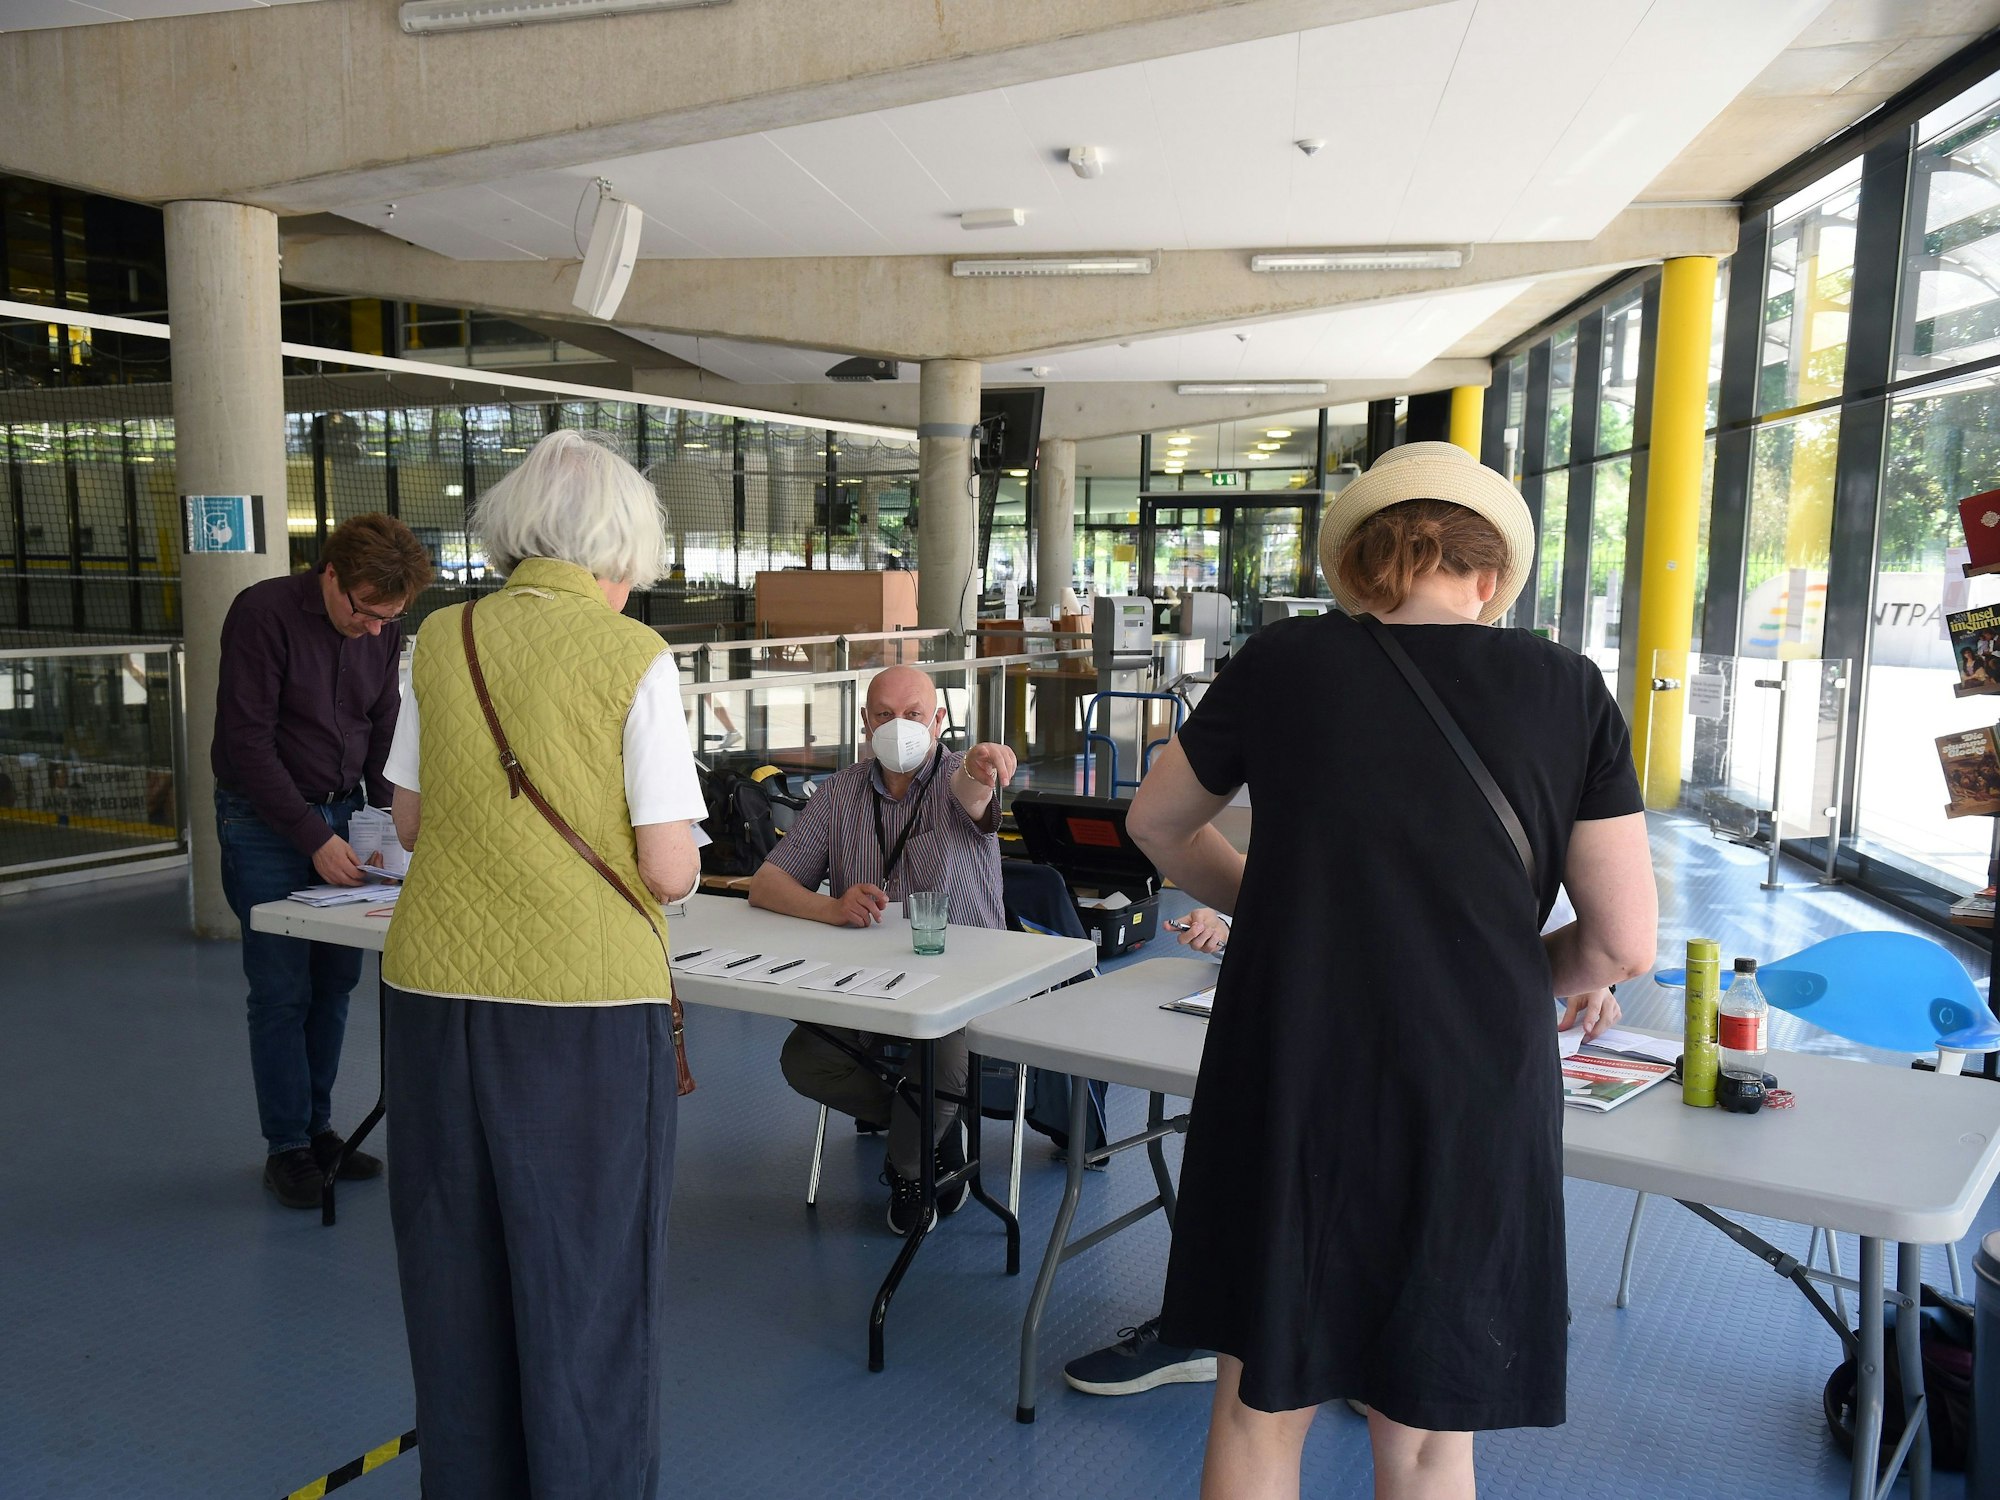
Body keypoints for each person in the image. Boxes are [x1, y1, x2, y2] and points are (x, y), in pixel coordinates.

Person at [1124, 441, 1657, 1499]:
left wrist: (1278, 911)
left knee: (1254, 1403)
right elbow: (1618, 944)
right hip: (1467, 1091)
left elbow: (1155, 823)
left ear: (1357, 568)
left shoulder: (1284, 663)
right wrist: (1498, 973)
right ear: (1490, 576)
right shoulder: (1566, 688)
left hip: (1292, 1068)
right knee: (1423, 1437)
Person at [379, 430, 707, 1500]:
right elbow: (666, 869)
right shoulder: (633, 657)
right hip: (581, 1008)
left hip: (429, 998)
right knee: (587, 1286)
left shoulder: (438, 637)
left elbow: (413, 822)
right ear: (620, 546)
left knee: (452, 1277)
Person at [1062, 901, 1623, 1403]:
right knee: (1263, 1173)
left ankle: (1383, 1351)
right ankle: (1216, 1330)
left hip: (1441, 1046)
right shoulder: (1332, 790)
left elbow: (1596, 938)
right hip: (1322, 1024)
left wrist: (1589, 981)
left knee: (1401, 1202)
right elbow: (1290, 886)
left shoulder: (1517, 809)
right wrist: (1233, 921)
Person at [210, 512, 431, 1208]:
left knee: (335, 984)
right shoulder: (263, 614)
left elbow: (383, 722)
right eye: (365, 612)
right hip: (267, 824)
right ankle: (286, 1147)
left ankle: (321, 1128)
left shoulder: (381, 623)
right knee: (280, 991)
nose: (374, 629)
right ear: (329, 574)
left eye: (387, 619)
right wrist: (312, 835)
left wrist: (388, 820)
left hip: (345, 817)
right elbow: (247, 744)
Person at [748, 665, 1017, 1234]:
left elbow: (976, 794)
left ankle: (910, 1168)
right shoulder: (841, 792)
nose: (900, 726)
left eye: (914, 714)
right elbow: (767, 883)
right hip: (870, 984)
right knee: (805, 1060)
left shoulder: (958, 778)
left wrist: (980, 768)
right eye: (885, 715)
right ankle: (936, 1132)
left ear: (939, 721)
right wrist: (829, 906)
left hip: (964, 983)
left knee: (940, 1058)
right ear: (866, 722)